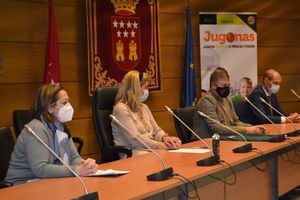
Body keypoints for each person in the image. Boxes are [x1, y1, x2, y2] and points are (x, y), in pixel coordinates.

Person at [5, 84, 98, 185]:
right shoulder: (36, 129)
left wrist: (86, 165)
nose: (69, 106)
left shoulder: (61, 126)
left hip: (46, 182)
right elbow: (41, 169)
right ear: (49, 108)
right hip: (22, 185)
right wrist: (77, 170)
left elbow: (74, 158)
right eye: (64, 103)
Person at [112, 70, 181, 157]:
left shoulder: (144, 107)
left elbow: (156, 131)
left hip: (151, 149)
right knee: (166, 157)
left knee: (174, 152)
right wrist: (161, 146)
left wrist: (165, 138)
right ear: (136, 88)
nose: (147, 91)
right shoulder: (121, 109)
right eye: (145, 87)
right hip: (133, 152)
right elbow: (135, 140)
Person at [192, 67, 265, 138]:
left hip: (224, 139)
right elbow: (217, 128)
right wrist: (246, 130)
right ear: (213, 86)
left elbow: (235, 122)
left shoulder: (226, 99)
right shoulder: (207, 101)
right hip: (203, 143)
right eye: (224, 85)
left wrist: (252, 127)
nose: (227, 88)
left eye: (228, 85)